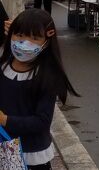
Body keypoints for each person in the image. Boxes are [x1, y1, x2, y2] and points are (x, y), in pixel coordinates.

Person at [0, 9, 79, 169]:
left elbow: (42, 121)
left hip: (32, 155)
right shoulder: (3, 67)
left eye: (34, 38)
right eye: (20, 35)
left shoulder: (46, 77)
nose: (24, 42)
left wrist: (6, 120)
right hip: (5, 149)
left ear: (46, 42)